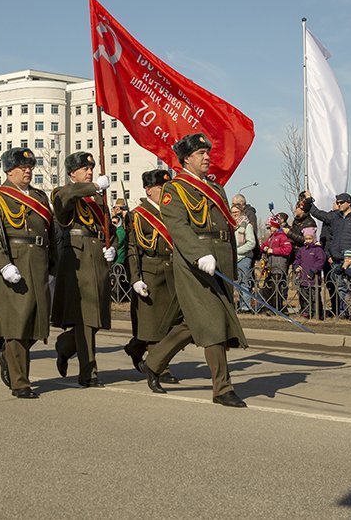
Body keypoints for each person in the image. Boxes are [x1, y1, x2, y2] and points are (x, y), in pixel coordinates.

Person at [141, 133, 248, 408]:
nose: (207, 158)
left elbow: (224, 226)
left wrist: (230, 259)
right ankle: (222, 388)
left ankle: (153, 363)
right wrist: (200, 254)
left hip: (219, 260)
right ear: (187, 159)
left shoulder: (216, 188)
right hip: (195, 263)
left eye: (207, 153)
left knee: (195, 322)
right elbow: (178, 227)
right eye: (201, 154)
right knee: (212, 323)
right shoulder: (174, 190)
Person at [0, 147, 55, 399]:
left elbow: (50, 233)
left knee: (37, 322)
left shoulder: (40, 197)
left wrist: (53, 265)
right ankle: (20, 382)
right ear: (9, 170)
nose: (27, 171)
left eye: (30, 167)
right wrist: (3, 264)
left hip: (39, 262)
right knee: (17, 324)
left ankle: (6, 354)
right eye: (23, 167)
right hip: (14, 263)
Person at [51, 151, 115, 388]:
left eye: (91, 168)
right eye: (84, 169)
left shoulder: (98, 199)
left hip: (98, 258)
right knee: (86, 319)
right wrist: (93, 187)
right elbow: (66, 198)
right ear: (72, 173)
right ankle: (89, 373)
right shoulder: (63, 193)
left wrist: (113, 249)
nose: (90, 172)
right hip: (77, 258)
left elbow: (108, 227)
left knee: (97, 318)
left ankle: (66, 344)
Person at [124, 169, 182, 380]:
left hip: (172, 272)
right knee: (153, 324)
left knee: (169, 324)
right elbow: (133, 250)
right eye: (161, 188)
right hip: (151, 272)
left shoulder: (173, 213)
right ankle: (161, 368)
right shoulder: (138, 215)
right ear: (149, 190)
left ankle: (135, 347)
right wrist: (136, 279)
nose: (167, 192)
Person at [307, 191, 351, 318]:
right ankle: (344, 313)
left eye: (341, 202)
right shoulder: (335, 218)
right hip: (337, 259)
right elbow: (318, 214)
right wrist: (309, 200)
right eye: (337, 202)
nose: (338, 204)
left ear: (349, 203)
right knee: (340, 288)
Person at [259, 216, 291, 313]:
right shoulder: (271, 237)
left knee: (276, 289)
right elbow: (264, 245)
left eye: (271, 227)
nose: (269, 229)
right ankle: (269, 306)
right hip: (270, 267)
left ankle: (276, 308)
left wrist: (273, 250)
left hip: (279, 267)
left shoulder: (282, 237)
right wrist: (264, 248)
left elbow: (287, 250)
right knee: (267, 288)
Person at [292, 227, 326, 319]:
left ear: (314, 238)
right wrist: (296, 266)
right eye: (306, 239)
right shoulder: (302, 249)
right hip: (303, 278)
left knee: (315, 297)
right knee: (304, 297)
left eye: (310, 238)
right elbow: (297, 259)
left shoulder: (318, 250)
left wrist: (313, 271)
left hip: (313, 278)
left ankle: (317, 313)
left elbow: (320, 261)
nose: (308, 241)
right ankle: (307, 312)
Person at [232, 205, 256, 312]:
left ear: (241, 212)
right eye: (232, 212)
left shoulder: (247, 225)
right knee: (237, 283)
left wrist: (237, 251)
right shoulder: (232, 226)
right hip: (233, 258)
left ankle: (246, 307)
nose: (234, 214)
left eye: (236, 212)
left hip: (244, 258)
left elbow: (251, 243)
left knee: (244, 283)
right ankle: (240, 305)